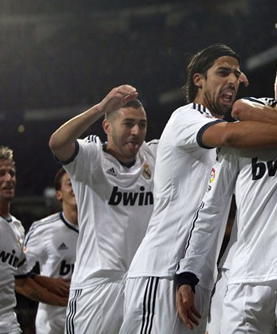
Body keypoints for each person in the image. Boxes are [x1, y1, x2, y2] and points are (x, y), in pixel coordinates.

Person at [120, 42, 277, 334]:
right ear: (198, 79)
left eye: (237, 74)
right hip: (165, 268)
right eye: (223, 72)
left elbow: (268, 110)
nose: (232, 80)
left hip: (210, 274)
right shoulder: (192, 119)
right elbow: (232, 136)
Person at [48, 89, 158, 334]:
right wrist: (100, 107)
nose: (136, 132)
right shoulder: (90, 157)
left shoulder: (153, 155)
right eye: (128, 123)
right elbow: (57, 143)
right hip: (96, 287)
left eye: (142, 124)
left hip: (141, 284)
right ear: (107, 126)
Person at [0, 146, 67, 334]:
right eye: (1, 174)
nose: (8, 179)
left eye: (11, 173)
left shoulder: (17, 227)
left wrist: (52, 285)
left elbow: (21, 278)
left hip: (8, 324)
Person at [22, 168, 78, 334]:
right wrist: (46, 283)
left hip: (91, 322)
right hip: (53, 327)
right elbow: (16, 274)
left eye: (79, 183)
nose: (76, 186)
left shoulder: (102, 228)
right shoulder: (43, 229)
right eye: (70, 183)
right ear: (59, 194)